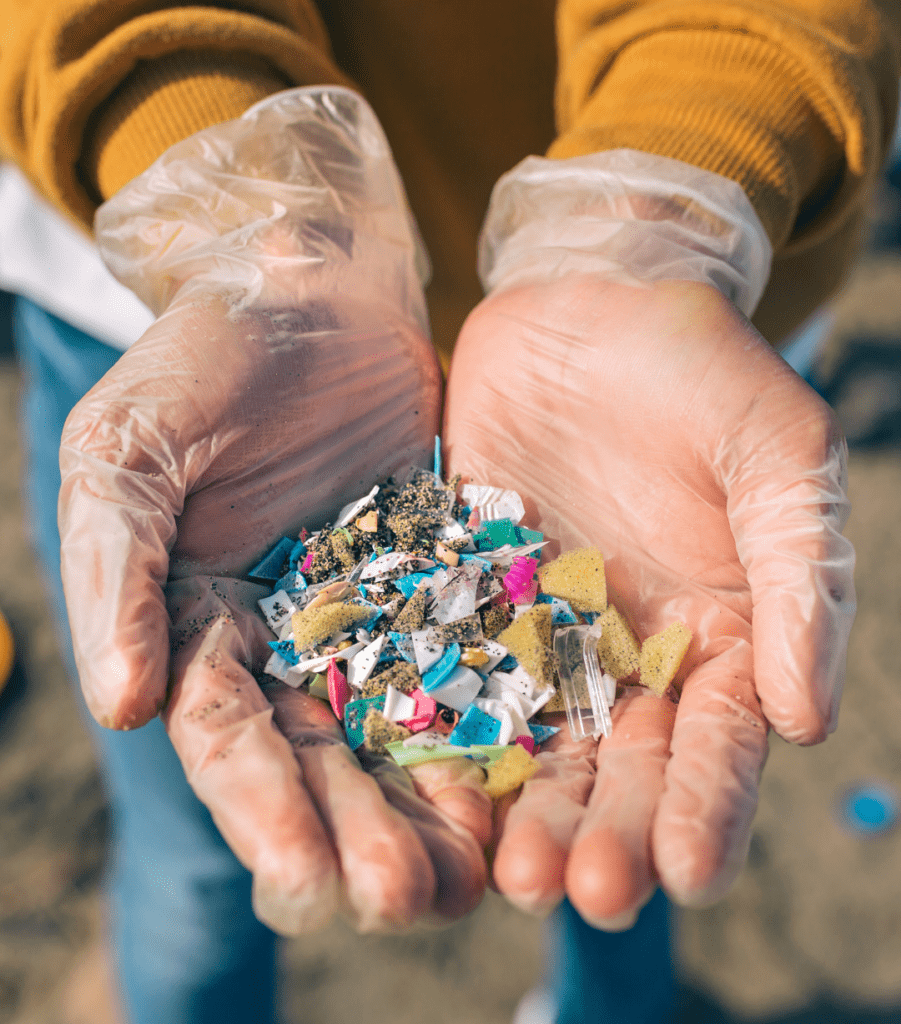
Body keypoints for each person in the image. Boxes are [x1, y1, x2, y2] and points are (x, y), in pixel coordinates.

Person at [0, 3, 897, 1023]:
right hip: (192, 312)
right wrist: (235, 217)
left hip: (667, 337)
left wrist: (656, 221)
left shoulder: (552, 600)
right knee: (198, 858)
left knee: (621, 818)